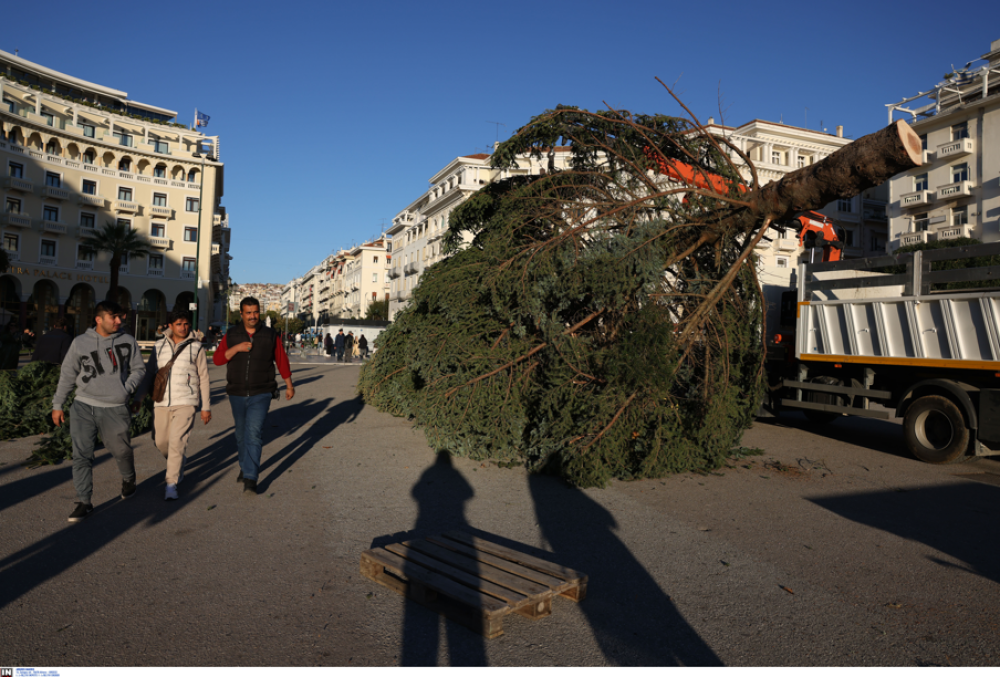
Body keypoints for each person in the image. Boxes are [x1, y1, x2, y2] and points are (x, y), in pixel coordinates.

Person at [51, 301, 146, 522]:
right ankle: (84, 501)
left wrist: (126, 389)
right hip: (83, 406)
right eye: (114, 317)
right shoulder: (80, 342)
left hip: (115, 407)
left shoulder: (127, 341)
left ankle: (129, 479)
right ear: (99, 319)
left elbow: (139, 369)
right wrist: (58, 405)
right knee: (81, 455)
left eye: (120, 317)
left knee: (121, 451)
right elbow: (67, 375)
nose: (119, 321)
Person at [213, 297, 295, 496]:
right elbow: (217, 359)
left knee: (253, 432)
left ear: (260, 312)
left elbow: (281, 360)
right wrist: (236, 348)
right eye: (248, 312)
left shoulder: (269, 335)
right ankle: (245, 465)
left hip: (262, 391)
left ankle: (251, 476)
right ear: (241, 313)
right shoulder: (231, 335)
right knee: (241, 434)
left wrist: (289, 385)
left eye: (256, 312)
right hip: (237, 392)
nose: (252, 316)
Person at [135, 310, 212, 501]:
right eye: (179, 324)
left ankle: (171, 483)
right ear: (170, 326)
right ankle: (179, 462)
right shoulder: (159, 346)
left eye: (186, 324)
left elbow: (204, 377)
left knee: (177, 441)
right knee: (161, 442)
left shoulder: (196, 347)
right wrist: (138, 398)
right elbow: (150, 373)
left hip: (186, 401)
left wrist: (206, 406)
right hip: (161, 401)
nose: (183, 327)